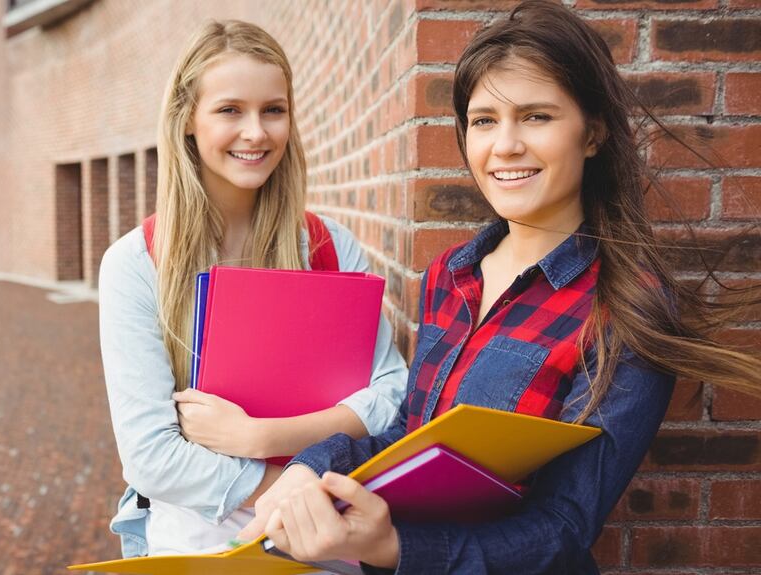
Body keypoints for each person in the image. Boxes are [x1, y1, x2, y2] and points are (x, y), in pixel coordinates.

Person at [237, 1, 761, 573]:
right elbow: (407, 434)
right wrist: (308, 466)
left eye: (536, 117)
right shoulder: (449, 275)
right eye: (484, 120)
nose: (504, 145)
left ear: (593, 133)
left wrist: (394, 550)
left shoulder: (625, 306)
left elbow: (564, 528)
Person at [96, 20, 408, 558]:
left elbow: (391, 397)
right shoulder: (136, 263)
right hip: (198, 545)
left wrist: (261, 438)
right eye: (229, 110)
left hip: (326, 549)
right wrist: (296, 492)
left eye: (273, 110)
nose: (256, 132)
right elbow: (152, 457)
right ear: (187, 122)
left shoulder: (329, 248)